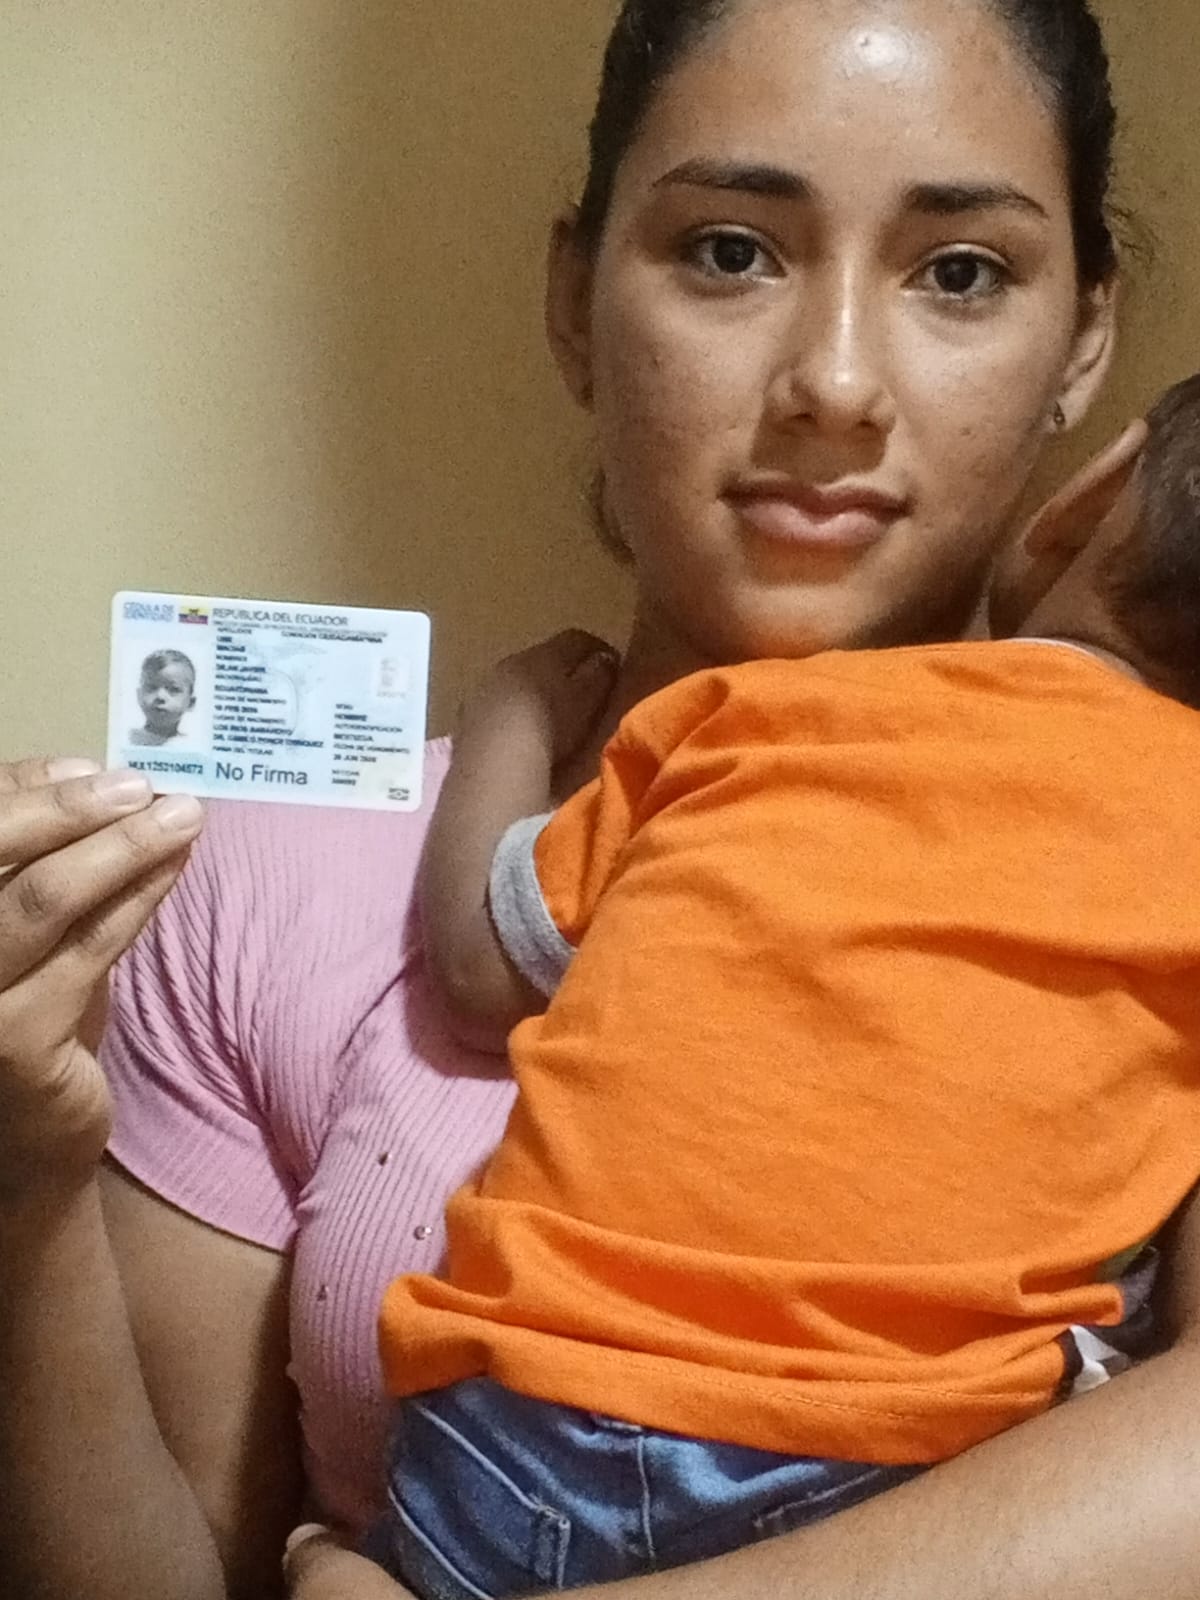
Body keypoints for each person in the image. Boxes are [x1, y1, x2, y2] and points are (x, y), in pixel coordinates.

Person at [3, 3, 1200, 1600]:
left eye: (962, 273)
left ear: (1087, 346)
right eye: (729, 251)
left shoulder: (1162, 888)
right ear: (577, 300)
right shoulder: (267, 885)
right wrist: (26, 1183)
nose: (835, 383)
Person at [360, 381, 1200, 1598]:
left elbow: (482, 967)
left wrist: (511, 712)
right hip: (903, 1483)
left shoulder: (763, 712)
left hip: (510, 1434)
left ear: (1088, 493)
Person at [127, 649, 198, 747]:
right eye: (152, 687)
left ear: (191, 702)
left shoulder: (191, 747)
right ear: (139, 695)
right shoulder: (127, 741)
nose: (160, 696)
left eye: (173, 689)